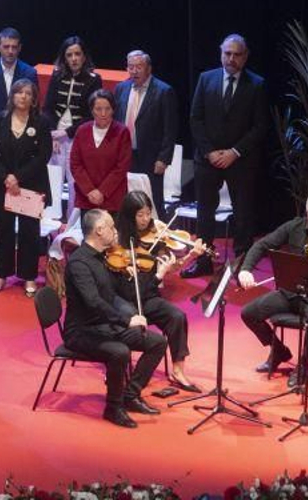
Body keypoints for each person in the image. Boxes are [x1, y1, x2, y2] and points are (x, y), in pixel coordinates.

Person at [62, 208, 168, 428]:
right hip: (81, 331)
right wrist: (126, 320)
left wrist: (135, 280)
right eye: (111, 226)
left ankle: (130, 395)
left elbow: (113, 295)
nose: (115, 231)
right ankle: (113, 407)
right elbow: (94, 302)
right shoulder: (79, 263)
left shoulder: (103, 258)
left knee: (157, 342)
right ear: (99, 230)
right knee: (119, 352)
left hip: (104, 325)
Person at [238, 192, 308, 387]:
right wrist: (245, 270)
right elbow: (262, 245)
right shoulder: (294, 226)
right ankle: (279, 351)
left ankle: (303, 365)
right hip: (290, 293)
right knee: (248, 313)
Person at [186, 34, 268, 276]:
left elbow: (260, 126)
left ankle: (242, 265)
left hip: (240, 161)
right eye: (227, 53)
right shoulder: (206, 78)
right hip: (207, 159)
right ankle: (203, 261)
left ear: (245, 56)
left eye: (237, 54)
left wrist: (234, 152)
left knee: (242, 215)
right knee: (205, 213)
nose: (231, 59)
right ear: (221, 53)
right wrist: (209, 152)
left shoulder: (257, 84)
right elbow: (195, 119)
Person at [111, 190, 203, 392]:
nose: (146, 219)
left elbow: (171, 266)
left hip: (148, 295)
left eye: (148, 213)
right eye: (140, 215)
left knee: (177, 316)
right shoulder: (117, 239)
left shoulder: (156, 235)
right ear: (129, 215)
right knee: (135, 329)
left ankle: (178, 370)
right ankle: (119, 372)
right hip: (124, 301)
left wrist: (190, 257)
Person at [0, 79, 50, 296]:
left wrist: (18, 177)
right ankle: (1, 275)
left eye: (28, 93)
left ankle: (29, 276)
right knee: (2, 230)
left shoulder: (41, 123)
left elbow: (43, 155)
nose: (23, 96)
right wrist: (6, 178)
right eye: (19, 92)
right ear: (12, 96)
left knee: (30, 232)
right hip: (1, 185)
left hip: (30, 185)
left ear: (34, 99)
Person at [113, 50, 181, 221]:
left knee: (152, 200)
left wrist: (163, 159)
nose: (134, 71)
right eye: (131, 67)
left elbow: (170, 129)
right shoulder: (121, 88)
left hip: (151, 157)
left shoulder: (164, 91)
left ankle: (158, 234)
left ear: (149, 68)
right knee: (126, 198)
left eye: (139, 67)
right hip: (125, 155)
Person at [69, 90, 132, 213]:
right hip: (87, 198)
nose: (103, 114)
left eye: (107, 109)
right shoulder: (82, 130)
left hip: (113, 199)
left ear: (113, 110)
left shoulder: (122, 132)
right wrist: (89, 190)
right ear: (92, 110)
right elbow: (75, 164)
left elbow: (122, 167)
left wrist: (102, 191)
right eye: (98, 109)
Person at [45, 35, 103, 146]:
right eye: (69, 55)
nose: (73, 59)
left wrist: (67, 132)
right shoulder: (57, 76)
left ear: (84, 57)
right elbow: (48, 108)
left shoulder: (94, 80)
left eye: (77, 54)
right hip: (54, 134)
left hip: (79, 135)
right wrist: (52, 133)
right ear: (65, 59)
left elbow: (91, 114)